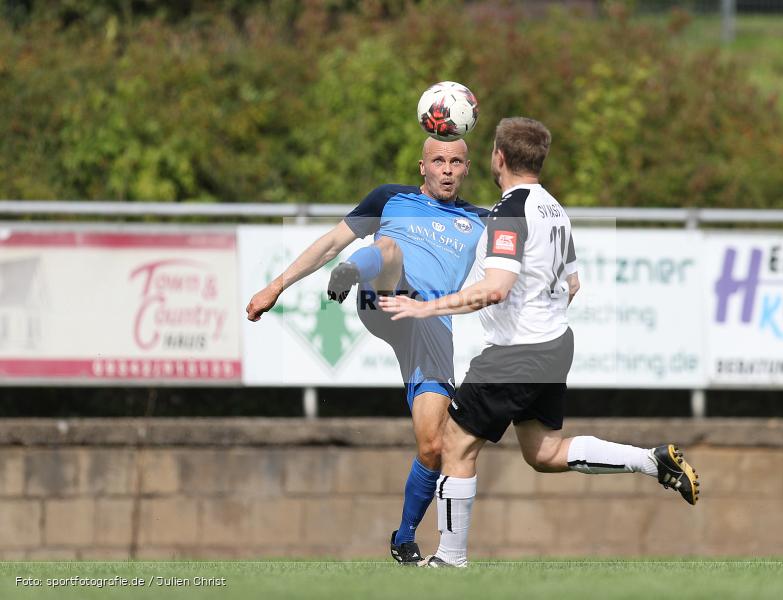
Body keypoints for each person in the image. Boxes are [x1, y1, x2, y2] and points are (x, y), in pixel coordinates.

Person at [380, 117, 700, 568]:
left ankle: (450, 560)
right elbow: (573, 283)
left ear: (499, 157)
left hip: (517, 353)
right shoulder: (554, 209)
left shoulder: (510, 211)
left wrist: (424, 308)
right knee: (545, 452)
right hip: (553, 345)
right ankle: (651, 461)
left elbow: (495, 288)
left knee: (453, 444)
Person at [246, 137, 489, 565]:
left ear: (467, 168)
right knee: (390, 248)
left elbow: (521, 254)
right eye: (438, 161)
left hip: (431, 324)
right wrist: (276, 285)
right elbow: (330, 241)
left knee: (433, 444)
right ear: (422, 167)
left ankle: (405, 537)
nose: (447, 169)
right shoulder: (389, 197)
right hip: (384, 297)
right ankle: (352, 272)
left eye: (455, 162)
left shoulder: (481, 219)